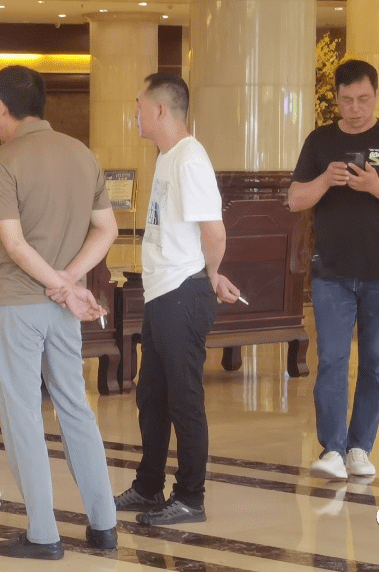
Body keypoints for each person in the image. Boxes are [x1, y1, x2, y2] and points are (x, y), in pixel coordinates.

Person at [0, 65, 119, 560]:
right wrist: (69, 283)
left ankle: (43, 534)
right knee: (75, 409)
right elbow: (107, 229)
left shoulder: (2, 159)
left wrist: (59, 285)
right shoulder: (82, 154)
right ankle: (104, 524)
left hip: (18, 304)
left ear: (0, 108)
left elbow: (15, 245)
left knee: (23, 416)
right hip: (63, 309)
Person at [113, 73, 241, 526]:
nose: (135, 113)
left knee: (184, 401)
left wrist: (210, 275)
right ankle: (149, 486)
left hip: (182, 294)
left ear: (160, 109)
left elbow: (215, 232)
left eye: (139, 104)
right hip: (162, 293)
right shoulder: (168, 157)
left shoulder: (189, 159)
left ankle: (190, 497)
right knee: (152, 398)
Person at [288, 59, 379, 480]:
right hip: (331, 273)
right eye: (347, 100)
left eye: (363, 99)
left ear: (376, 95)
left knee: (376, 364)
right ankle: (332, 448)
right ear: (336, 98)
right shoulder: (320, 141)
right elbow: (294, 199)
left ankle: (360, 448)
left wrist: (376, 187)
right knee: (331, 360)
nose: (355, 109)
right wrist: (325, 180)